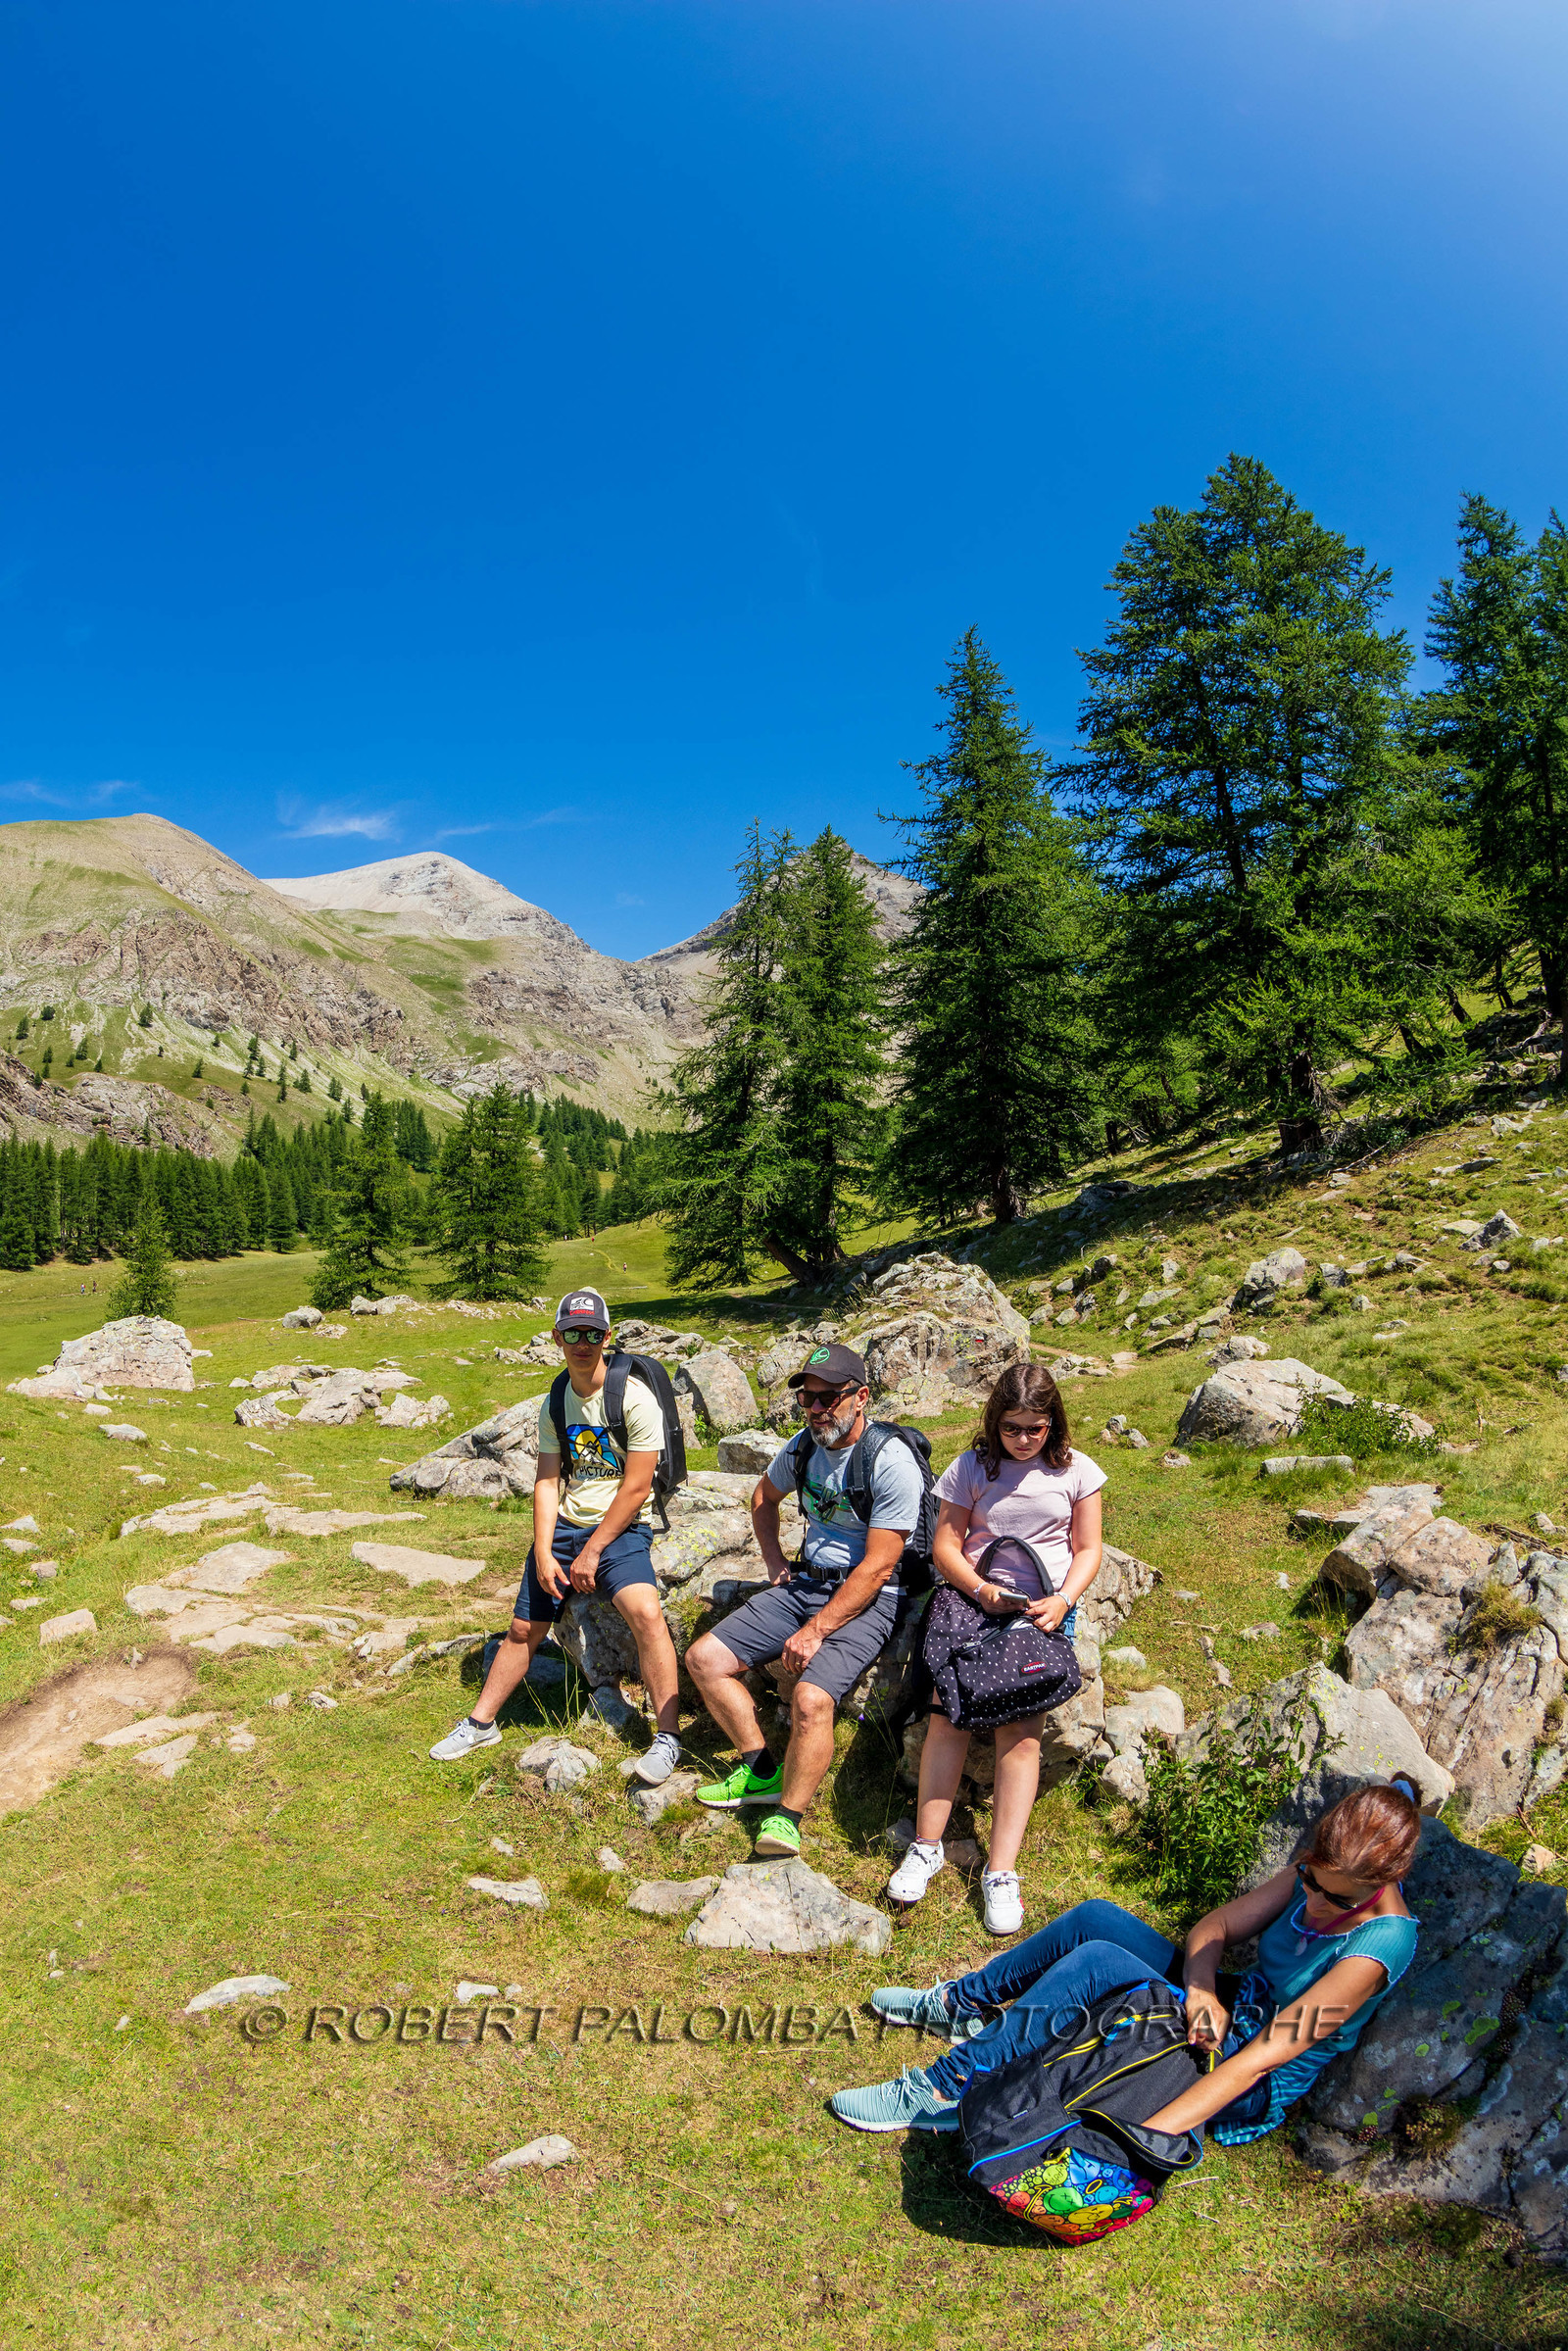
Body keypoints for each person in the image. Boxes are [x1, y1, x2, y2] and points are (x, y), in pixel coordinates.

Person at [829, 1777, 1423, 2135]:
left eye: (1333, 1897)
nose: (1313, 1900)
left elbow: (1262, 2061)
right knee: (1095, 1919)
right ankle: (959, 2006)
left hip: (1239, 2072)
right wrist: (1202, 1990)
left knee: (1098, 1966)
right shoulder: (1320, 1872)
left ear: (1383, 1882)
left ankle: (944, 2090)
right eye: (1310, 1882)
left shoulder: (1380, 1946)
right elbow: (1214, 1927)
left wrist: (1156, 2135)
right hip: (1224, 2011)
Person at [429, 1289, 683, 1786]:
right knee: (524, 1629)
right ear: (557, 1338)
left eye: (591, 1334)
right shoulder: (557, 1398)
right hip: (568, 1525)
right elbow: (548, 1480)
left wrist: (591, 1550)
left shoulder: (633, 1396)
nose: (582, 1343)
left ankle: (667, 1736)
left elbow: (636, 1488)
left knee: (646, 1613)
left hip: (622, 1527)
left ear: (607, 1337)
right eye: (573, 1334)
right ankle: (481, 1724)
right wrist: (545, 1551)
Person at [685, 1344, 923, 1860]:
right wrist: (775, 1563)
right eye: (807, 1399)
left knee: (812, 1699)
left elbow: (880, 1565)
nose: (816, 1409)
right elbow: (761, 1498)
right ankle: (760, 1769)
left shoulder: (890, 1461)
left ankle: (787, 1818)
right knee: (704, 1659)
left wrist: (815, 1630)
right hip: (806, 1582)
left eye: (828, 1398)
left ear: (861, 1397)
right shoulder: (803, 1447)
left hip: (872, 1596)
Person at [890, 1364, 1104, 1936]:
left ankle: (1001, 1871)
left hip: (1042, 1606)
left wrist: (1063, 1600)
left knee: (1020, 1729)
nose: (1025, 1439)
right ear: (995, 1422)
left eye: (1036, 1428)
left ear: (1053, 1422)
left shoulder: (1078, 1470)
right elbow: (946, 1544)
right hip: (973, 1597)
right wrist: (982, 1589)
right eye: (1013, 1428)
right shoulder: (972, 1466)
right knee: (947, 1715)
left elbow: (1088, 1548)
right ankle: (927, 1845)